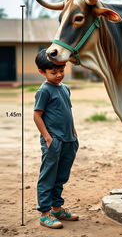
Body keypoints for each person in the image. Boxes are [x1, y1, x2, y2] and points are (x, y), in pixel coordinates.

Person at [34, 49, 79, 229]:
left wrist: (74, 133)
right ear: (42, 72)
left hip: (69, 140)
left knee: (61, 176)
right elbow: (37, 116)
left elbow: (68, 112)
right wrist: (47, 137)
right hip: (54, 141)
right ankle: (45, 213)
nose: (59, 74)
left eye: (61, 70)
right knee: (48, 176)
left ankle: (57, 208)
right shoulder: (44, 91)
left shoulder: (65, 88)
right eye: (54, 72)